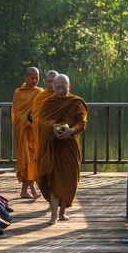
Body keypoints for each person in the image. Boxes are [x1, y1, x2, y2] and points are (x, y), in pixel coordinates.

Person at [36, 74, 88, 224]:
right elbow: (41, 122)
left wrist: (71, 130)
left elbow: (82, 122)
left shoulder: (76, 102)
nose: (60, 90)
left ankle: (62, 212)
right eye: (57, 87)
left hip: (69, 146)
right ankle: (53, 214)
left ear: (69, 86)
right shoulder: (48, 102)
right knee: (53, 180)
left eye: (63, 87)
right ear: (52, 87)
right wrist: (51, 128)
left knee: (67, 180)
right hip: (53, 147)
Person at [11, 67, 43, 199]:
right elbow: (17, 114)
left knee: (33, 160)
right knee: (27, 160)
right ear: (25, 77)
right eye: (32, 77)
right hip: (24, 131)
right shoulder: (19, 93)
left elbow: (41, 111)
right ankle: (31, 189)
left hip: (34, 132)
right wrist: (27, 121)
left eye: (37, 77)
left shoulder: (40, 92)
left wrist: (35, 122)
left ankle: (26, 190)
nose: (35, 80)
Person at [32, 70, 58, 164]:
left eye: (54, 81)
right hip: (44, 134)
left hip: (61, 133)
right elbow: (36, 118)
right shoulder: (40, 98)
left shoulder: (66, 96)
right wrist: (49, 126)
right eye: (49, 81)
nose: (51, 84)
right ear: (44, 82)